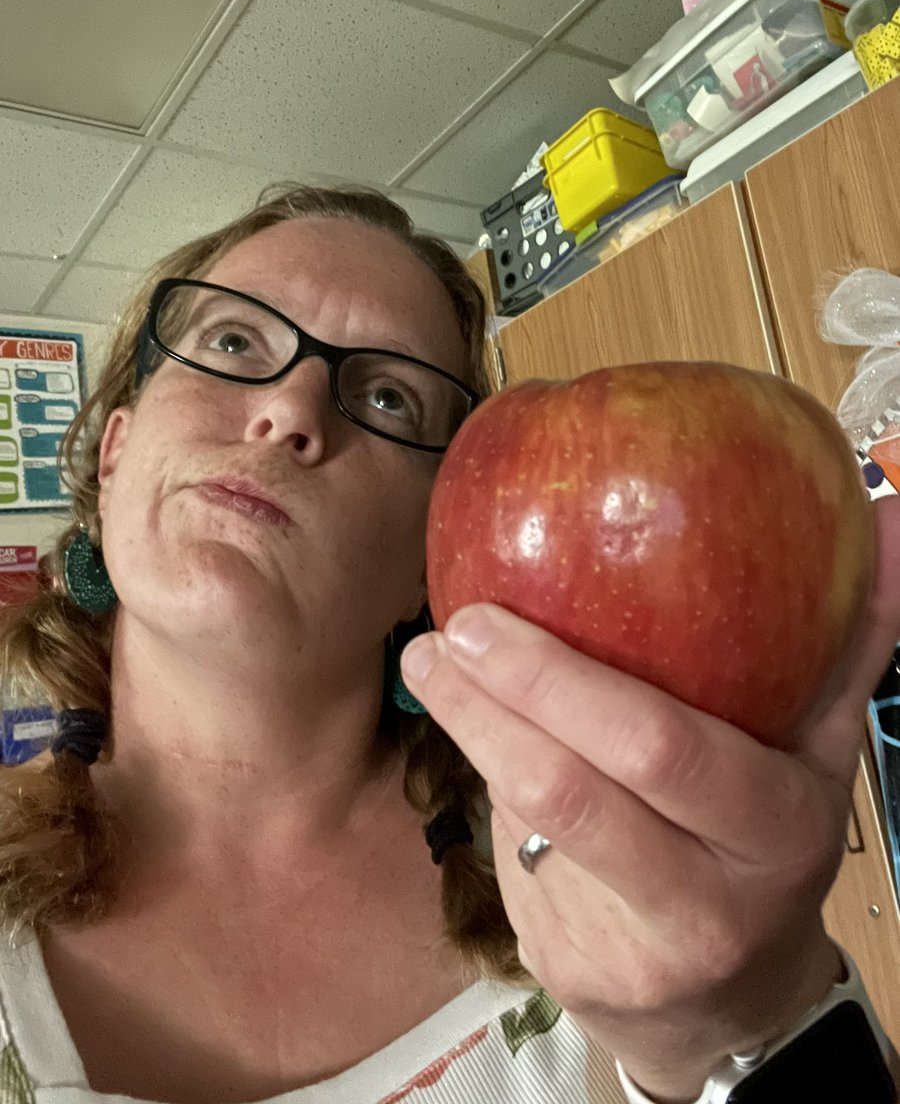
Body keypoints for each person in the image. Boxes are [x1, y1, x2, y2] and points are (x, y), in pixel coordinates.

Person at [0, 184, 897, 1104]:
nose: (291, 412)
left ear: (428, 556)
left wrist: (756, 1028)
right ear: (113, 454)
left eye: (387, 397)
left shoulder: (609, 884)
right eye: (234, 343)